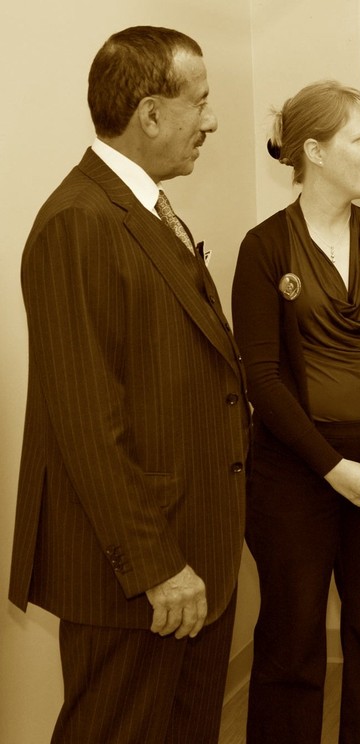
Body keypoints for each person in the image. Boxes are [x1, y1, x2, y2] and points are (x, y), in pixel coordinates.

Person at [8, 26, 250, 744]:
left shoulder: (142, 212)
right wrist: (156, 566)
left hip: (193, 554)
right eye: (199, 103)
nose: (210, 121)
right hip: (140, 577)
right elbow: (87, 423)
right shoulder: (77, 223)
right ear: (150, 113)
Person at [231, 80, 360, 744]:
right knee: (292, 646)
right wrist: (331, 468)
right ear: (314, 151)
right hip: (296, 478)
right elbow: (261, 377)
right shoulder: (265, 249)